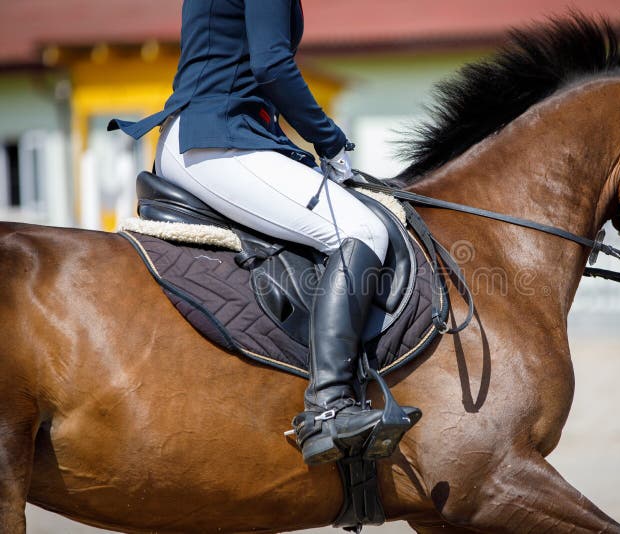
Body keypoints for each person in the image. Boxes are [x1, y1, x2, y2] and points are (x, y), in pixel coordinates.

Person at [109, 0, 416, 465]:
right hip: (217, 139)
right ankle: (328, 407)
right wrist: (330, 140)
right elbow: (271, 65)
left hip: (215, 134)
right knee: (361, 229)